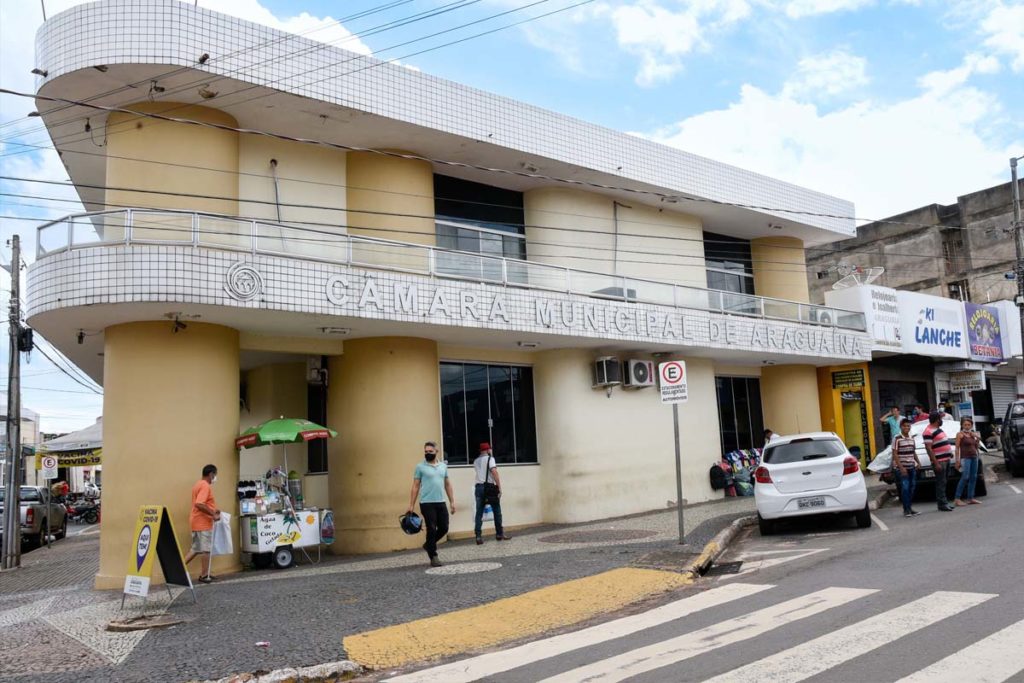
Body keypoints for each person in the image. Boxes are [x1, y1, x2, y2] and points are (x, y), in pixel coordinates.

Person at [407, 441, 455, 567]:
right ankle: (433, 556)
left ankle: (428, 544)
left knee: (444, 527)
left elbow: (448, 484)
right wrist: (411, 505)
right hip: (427, 503)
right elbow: (415, 486)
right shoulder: (420, 467)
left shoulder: (443, 466)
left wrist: (452, 502)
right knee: (432, 528)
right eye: (426, 451)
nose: (428, 453)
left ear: (436, 452)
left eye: (430, 451)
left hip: (441, 502)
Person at [184, 464, 220, 583]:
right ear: (211, 474)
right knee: (206, 550)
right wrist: (213, 514)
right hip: (203, 522)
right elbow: (199, 504)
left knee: (196, 549)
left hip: (196, 521)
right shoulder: (205, 486)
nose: (215, 477)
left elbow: (201, 503)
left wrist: (214, 510)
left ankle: (179, 568)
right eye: (215, 475)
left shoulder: (198, 484)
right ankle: (204, 575)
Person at [473, 443, 511, 545]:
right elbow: (494, 472)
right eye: (490, 449)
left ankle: (478, 536)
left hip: (478, 488)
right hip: (489, 487)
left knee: (479, 513)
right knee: (496, 510)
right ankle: (499, 534)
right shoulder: (491, 459)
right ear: (488, 450)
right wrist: (499, 487)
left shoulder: (476, 461)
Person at [923, 412, 955, 512]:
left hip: (946, 459)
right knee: (941, 482)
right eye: (940, 419)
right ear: (937, 420)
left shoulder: (937, 429)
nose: (941, 420)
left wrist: (949, 453)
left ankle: (944, 502)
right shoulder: (928, 431)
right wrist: (935, 463)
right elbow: (928, 448)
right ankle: (942, 504)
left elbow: (942, 441)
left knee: (944, 482)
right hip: (939, 461)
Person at [892, 419, 921, 517]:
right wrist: (901, 467)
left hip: (911, 466)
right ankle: (906, 510)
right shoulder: (897, 438)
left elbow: (913, 451)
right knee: (905, 488)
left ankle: (909, 507)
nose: (906, 428)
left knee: (912, 487)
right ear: (901, 426)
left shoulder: (911, 438)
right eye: (905, 426)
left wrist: (918, 462)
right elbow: (894, 454)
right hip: (902, 468)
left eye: (908, 426)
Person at [954, 417, 983, 506]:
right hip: (965, 458)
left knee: (973, 477)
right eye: (965, 424)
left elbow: (977, 446)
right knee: (965, 477)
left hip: (974, 457)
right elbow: (957, 448)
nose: (967, 426)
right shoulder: (960, 434)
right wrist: (957, 460)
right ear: (962, 425)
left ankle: (971, 498)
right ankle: (957, 498)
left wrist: (977, 438)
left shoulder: (972, 434)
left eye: (969, 425)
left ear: (971, 425)